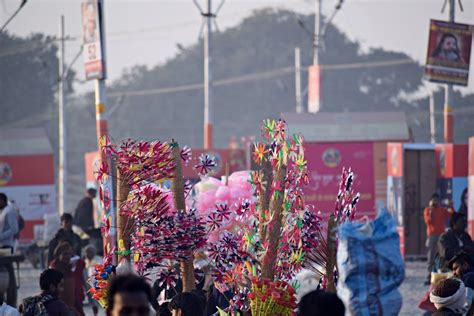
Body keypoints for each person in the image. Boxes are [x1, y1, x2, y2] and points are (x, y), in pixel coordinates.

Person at [49, 241, 85, 316]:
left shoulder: (69, 270)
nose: (68, 256)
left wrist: (80, 311)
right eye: (65, 254)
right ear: (58, 255)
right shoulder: (54, 270)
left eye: (69, 254)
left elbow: (73, 294)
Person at [424, 193, 453, 284]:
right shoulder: (427, 210)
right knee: (431, 255)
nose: (435, 202)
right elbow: (428, 221)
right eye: (434, 200)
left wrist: (450, 206)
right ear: (431, 201)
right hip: (432, 235)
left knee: (441, 254)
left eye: (437, 200)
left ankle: (441, 273)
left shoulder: (441, 210)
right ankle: (430, 273)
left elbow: (451, 214)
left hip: (441, 236)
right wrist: (431, 212)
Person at [84, 245, 101, 316]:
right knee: (92, 302)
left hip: (96, 285)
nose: (87, 254)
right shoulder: (85, 261)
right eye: (86, 252)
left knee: (97, 303)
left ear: (93, 253)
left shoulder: (98, 260)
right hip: (87, 285)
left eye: (89, 252)